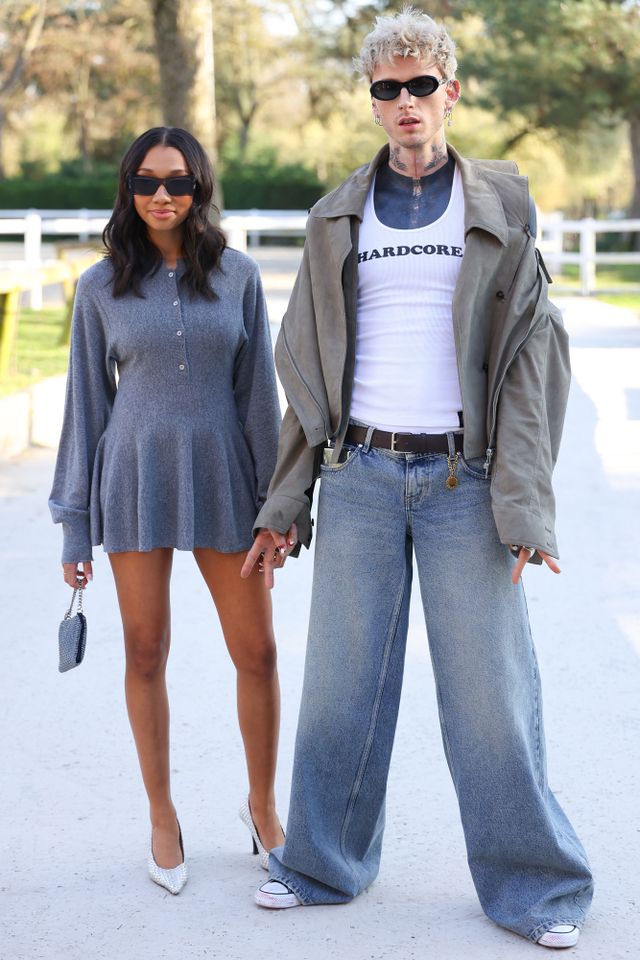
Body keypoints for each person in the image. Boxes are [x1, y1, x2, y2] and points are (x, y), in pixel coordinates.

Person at [241, 9, 593, 949]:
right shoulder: (335, 216)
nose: (403, 102)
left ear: (451, 91)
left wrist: (525, 503)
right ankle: (320, 865)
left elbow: (529, 364)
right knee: (342, 686)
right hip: (356, 471)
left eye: (420, 85)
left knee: (491, 693)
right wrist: (287, 503)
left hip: (461, 482)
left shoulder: (502, 206)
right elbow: (309, 374)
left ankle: (536, 890)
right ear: (373, 102)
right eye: (386, 88)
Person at [50, 126, 291, 895]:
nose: (162, 195)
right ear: (129, 188)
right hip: (135, 476)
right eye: (147, 181)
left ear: (199, 189)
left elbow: (261, 398)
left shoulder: (241, 276)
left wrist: (276, 508)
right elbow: (86, 409)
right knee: (145, 651)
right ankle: (162, 815)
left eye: (178, 182)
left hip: (225, 476)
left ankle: (262, 807)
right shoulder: (99, 286)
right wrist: (74, 523)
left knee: (258, 653)